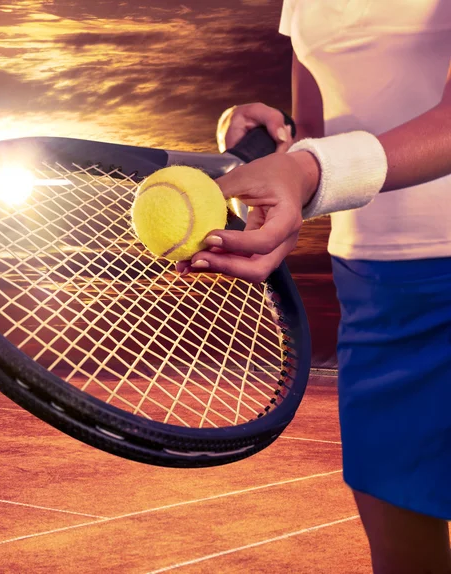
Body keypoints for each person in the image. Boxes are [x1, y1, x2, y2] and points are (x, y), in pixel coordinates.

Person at [177, 1, 451, 573]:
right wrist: (267, 146)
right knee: (404, 560)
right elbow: (317, 139)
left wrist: (306, 171)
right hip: (373, 287)